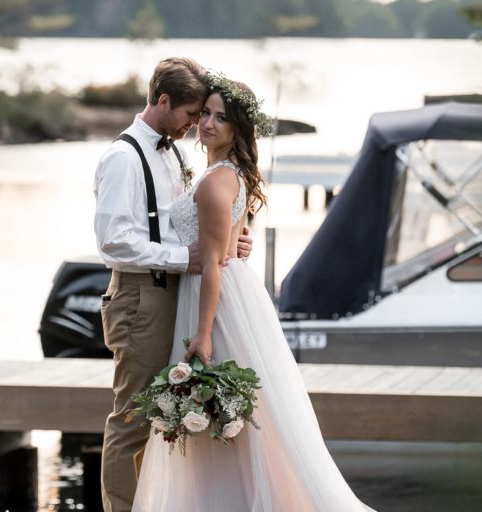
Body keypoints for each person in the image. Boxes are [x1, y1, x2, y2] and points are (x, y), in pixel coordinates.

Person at [132, 73, 376, 511]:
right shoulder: (233, 173)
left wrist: (202, 336)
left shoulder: (213, 181)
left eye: (220, 118)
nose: (207, 123)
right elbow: (228, 242)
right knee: (244, 416)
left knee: (222, 414)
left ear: (237, 128)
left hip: (214, 301)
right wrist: (234, 244)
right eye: (204, 113)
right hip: (234, 292)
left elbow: (210, 261)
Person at [93, 57, 252, 512]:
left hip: (174, 293)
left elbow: (180, 221)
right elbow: (114, 242)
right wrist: (187, 258)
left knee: (164, 416)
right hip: (142, 297)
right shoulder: (124, 158)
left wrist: (231, 240)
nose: (196, 124)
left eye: (206, 115)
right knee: (132, 419)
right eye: (191, 113)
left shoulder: (173, 151)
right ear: (163, 102)